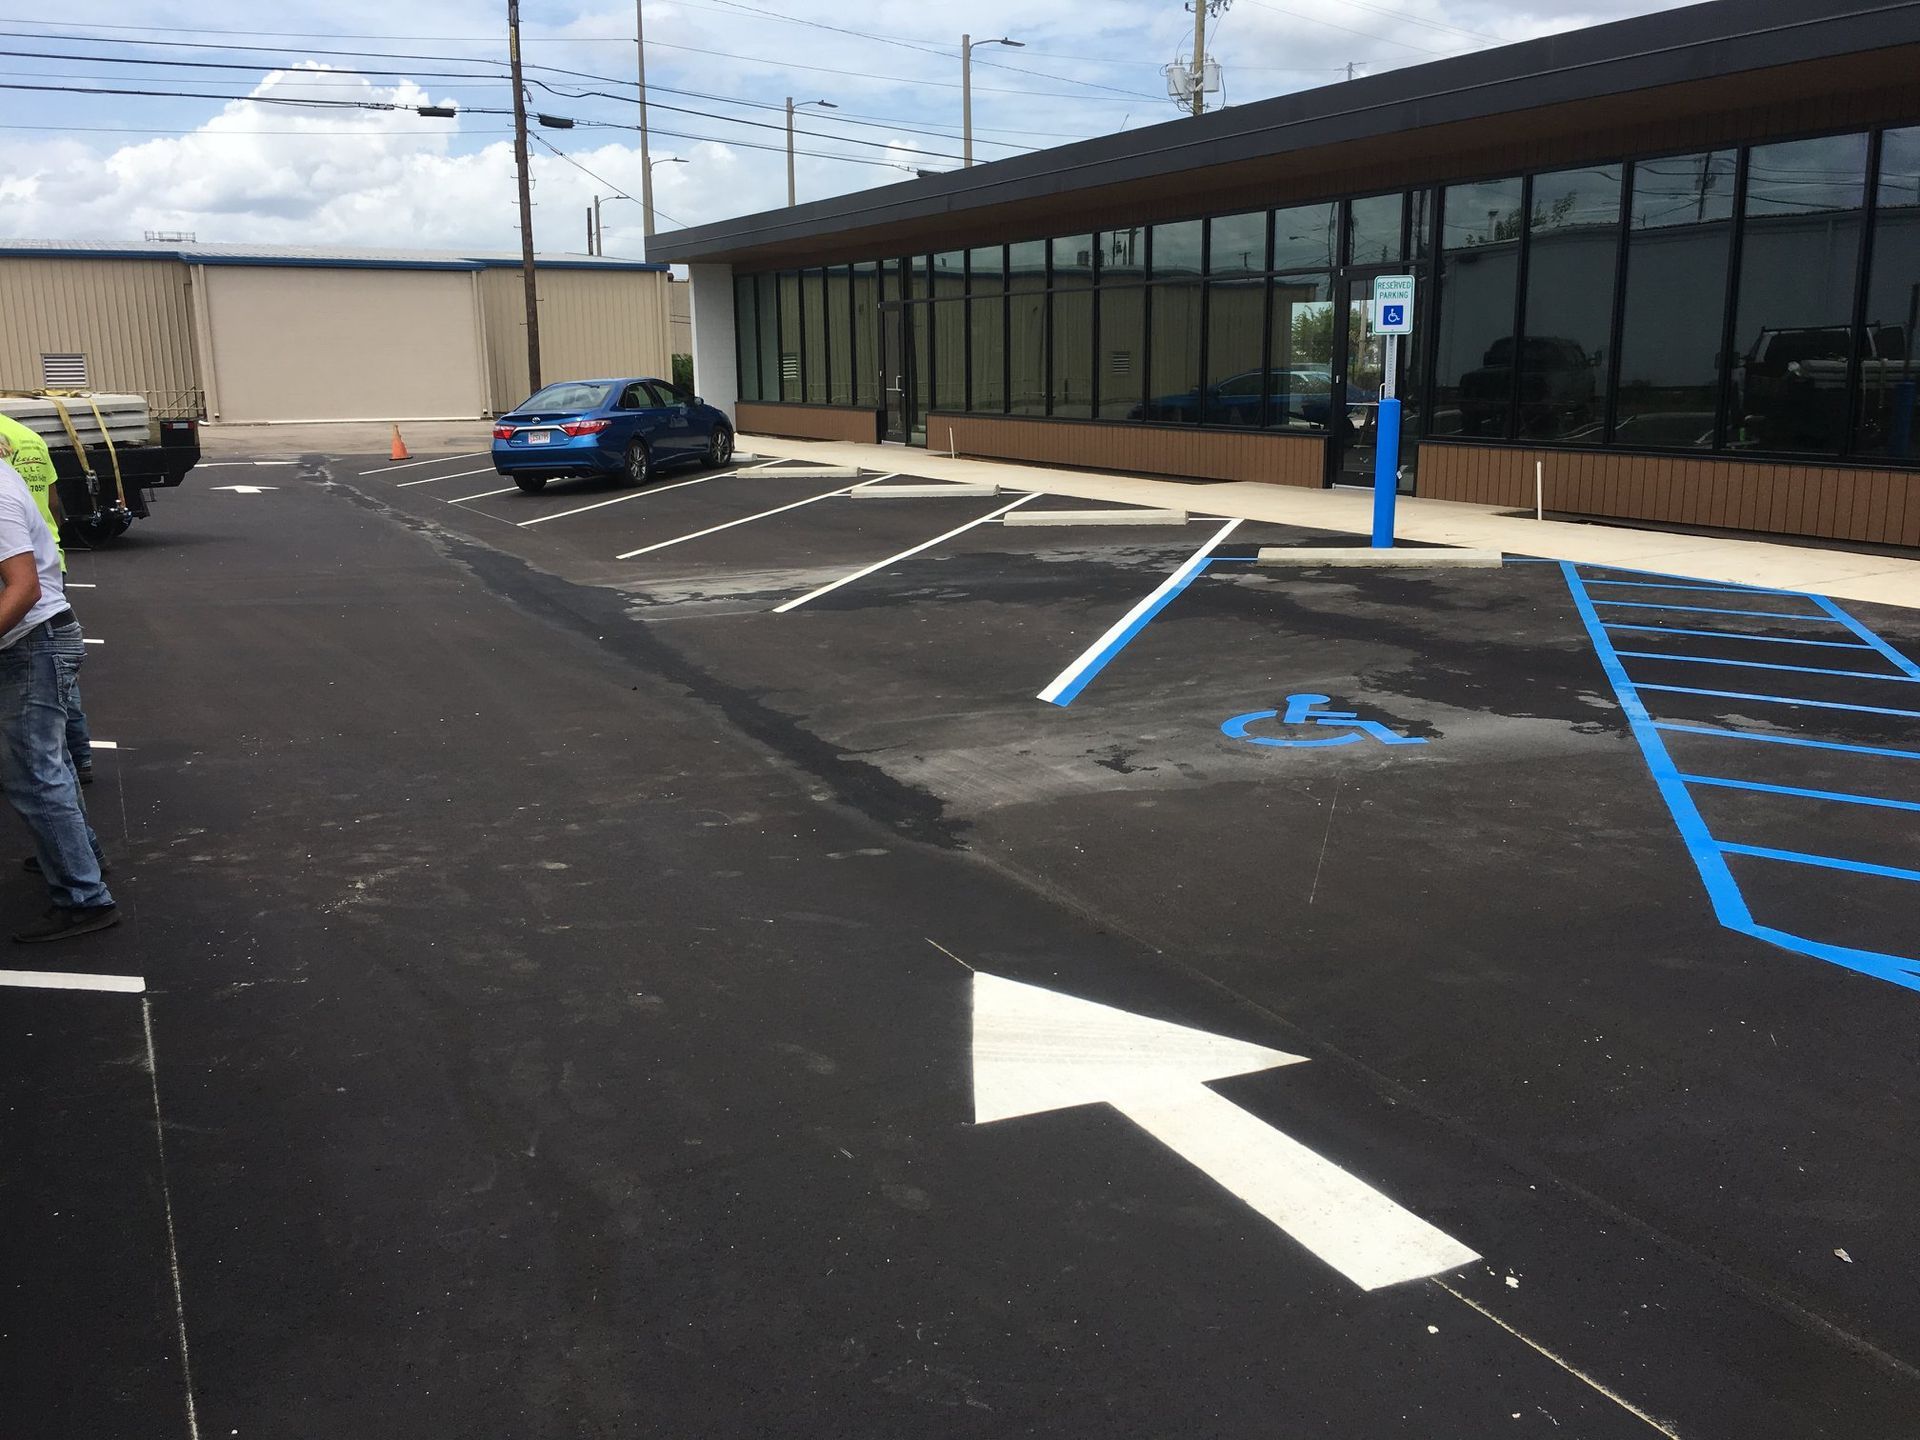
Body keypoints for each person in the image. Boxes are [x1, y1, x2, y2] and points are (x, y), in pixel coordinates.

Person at [0, 454, 114, 940]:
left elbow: (22, 588)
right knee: (50, 767)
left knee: (33, 775)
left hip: (31, 642)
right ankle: (81, 859)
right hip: (38, 640)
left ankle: (83, 899)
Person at [0, 411, 92, 784]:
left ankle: (67, 754)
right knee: (57, 677)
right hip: (49, 553)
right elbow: (54, 501)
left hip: (18, 561)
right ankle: (79, 752)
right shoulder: (28, 436)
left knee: (43, 667)